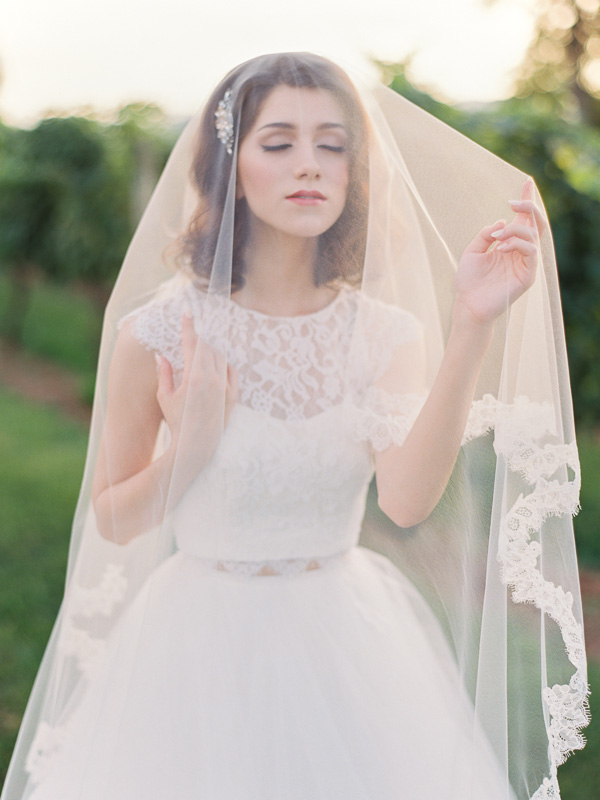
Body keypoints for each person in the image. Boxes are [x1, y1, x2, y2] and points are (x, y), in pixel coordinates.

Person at [1, 52, 588, 800]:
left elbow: (406, 503)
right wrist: (192, 447)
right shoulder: (161, 334)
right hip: (194, 645)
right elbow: (115, 519)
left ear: (354, 172)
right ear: (228, 167)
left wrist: (471, 325)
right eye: (278, 142)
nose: (309, 164)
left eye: (333, 144)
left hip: (346, 636)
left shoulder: (386, 335)